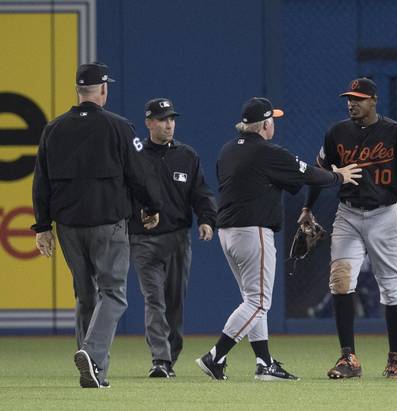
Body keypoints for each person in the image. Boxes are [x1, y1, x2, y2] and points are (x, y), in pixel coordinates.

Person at [195, 97, 361, 381]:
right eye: (273, 120)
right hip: (253, 231)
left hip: (228, 233)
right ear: (265, 124)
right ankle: (216, 356)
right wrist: (338, 176)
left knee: (252, 299)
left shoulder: (228, 150)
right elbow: (308, 174)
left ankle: (264, 363)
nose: (275, 125)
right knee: (258, 302)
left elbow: (283, 181)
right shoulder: (267, 152)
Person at [31, 62, 162, 388]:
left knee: (85, 294)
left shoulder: (53, 129)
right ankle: (91, 353)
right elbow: (139, 173)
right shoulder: (118, 127)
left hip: (69, 227)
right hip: (108, 223)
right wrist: (152, 206)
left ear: (79, 90)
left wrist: (42, 226)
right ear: (103, 89)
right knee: (114, 294)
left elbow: (41, 182)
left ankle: (93, 370)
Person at [298, 78, 397, 379]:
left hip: (385, 215)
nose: (352, 103)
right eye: (349, 98)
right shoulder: (337, 132)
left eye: (359, 98)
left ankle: (395, 360)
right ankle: (349, 358)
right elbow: (320, 173)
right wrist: (307, 208)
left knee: (391, 288)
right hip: (348, 213)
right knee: (341, 281)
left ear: (373, 101)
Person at [129, 98, 217, 378]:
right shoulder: (135, 156)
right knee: (154, 299)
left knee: (175, 301)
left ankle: (170, 355)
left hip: (178, 238)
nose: (168, 124)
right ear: (148, 122)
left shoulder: (187, 155)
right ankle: (160, 360)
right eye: (162, 119)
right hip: (143, 240)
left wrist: (206, 220)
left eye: (171, 119)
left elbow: (201, 193)